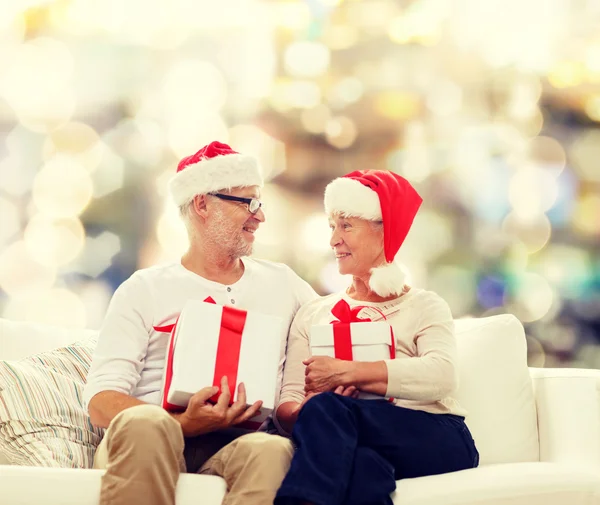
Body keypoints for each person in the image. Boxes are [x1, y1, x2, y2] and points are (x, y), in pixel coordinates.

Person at [83, 141, 317, 505]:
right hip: (150, 439)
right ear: (202, 204)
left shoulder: (284, 284)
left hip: (235, 445)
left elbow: (328, 330)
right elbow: (101, 402)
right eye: (249, 202)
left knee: (271, 451)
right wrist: (180, 423)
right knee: (148, 424)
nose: (260, 216)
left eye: (261, 203)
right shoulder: (145, 288)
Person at [274, 170, 479, 505]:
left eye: (346, 226)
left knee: (331, 410)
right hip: (351, 436)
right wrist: (306, 412)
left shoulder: (424, 305)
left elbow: (442, 375)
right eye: (332, 227)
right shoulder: (313, 313)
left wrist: (347, 373)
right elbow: (287, 404)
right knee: (363, 467)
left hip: (436, 436)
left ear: (384, 230)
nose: (333, 240)